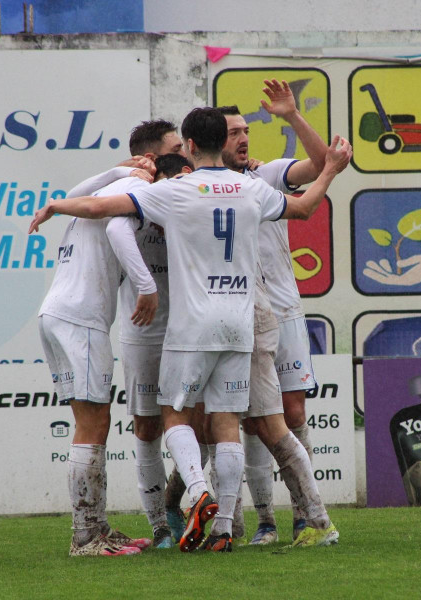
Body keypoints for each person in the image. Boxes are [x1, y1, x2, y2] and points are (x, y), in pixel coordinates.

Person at [29, 107, 352, 552]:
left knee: (175, 416)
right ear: (224, 141)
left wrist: (55, 205)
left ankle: (197, 495)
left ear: (192, 148)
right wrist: (331, 170)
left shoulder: (177, 190)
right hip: (242, 321)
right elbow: (305, 206)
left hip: (192, 324)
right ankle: (227, 528)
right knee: (228, 423)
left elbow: (103, 208)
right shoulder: (250, 187)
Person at [37, 120, 182, 558]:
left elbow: (74, 195)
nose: (184, 158)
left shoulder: (114, 182)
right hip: (81, 318)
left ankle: (97, 528)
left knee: (92, 419)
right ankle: (86, 537)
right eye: (176, 150)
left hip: (60, 312)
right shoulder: (136, 185)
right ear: (152, 159)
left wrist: (117, 169)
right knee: (93, 423)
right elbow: (119, 230)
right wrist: (146, 286)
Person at [220, 80, 329, 544]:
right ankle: (265, 520)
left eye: (246, 130)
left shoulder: (265, 177)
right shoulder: (200, 186)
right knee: (250, 418)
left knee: (291, 409)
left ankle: (304, 515)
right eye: (232, 133)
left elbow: (323, 164)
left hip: (282, 311)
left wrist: (292, 116)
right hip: (234, 313)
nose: (244, 138)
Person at [109, 153, 192, 550]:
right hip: (142, 334)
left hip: (189, 334)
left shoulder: (192, 201)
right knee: (146, 428)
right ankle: (159, 525)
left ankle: (178, 502)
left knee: (204, 428)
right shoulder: (131, 205)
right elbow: (104, 218)